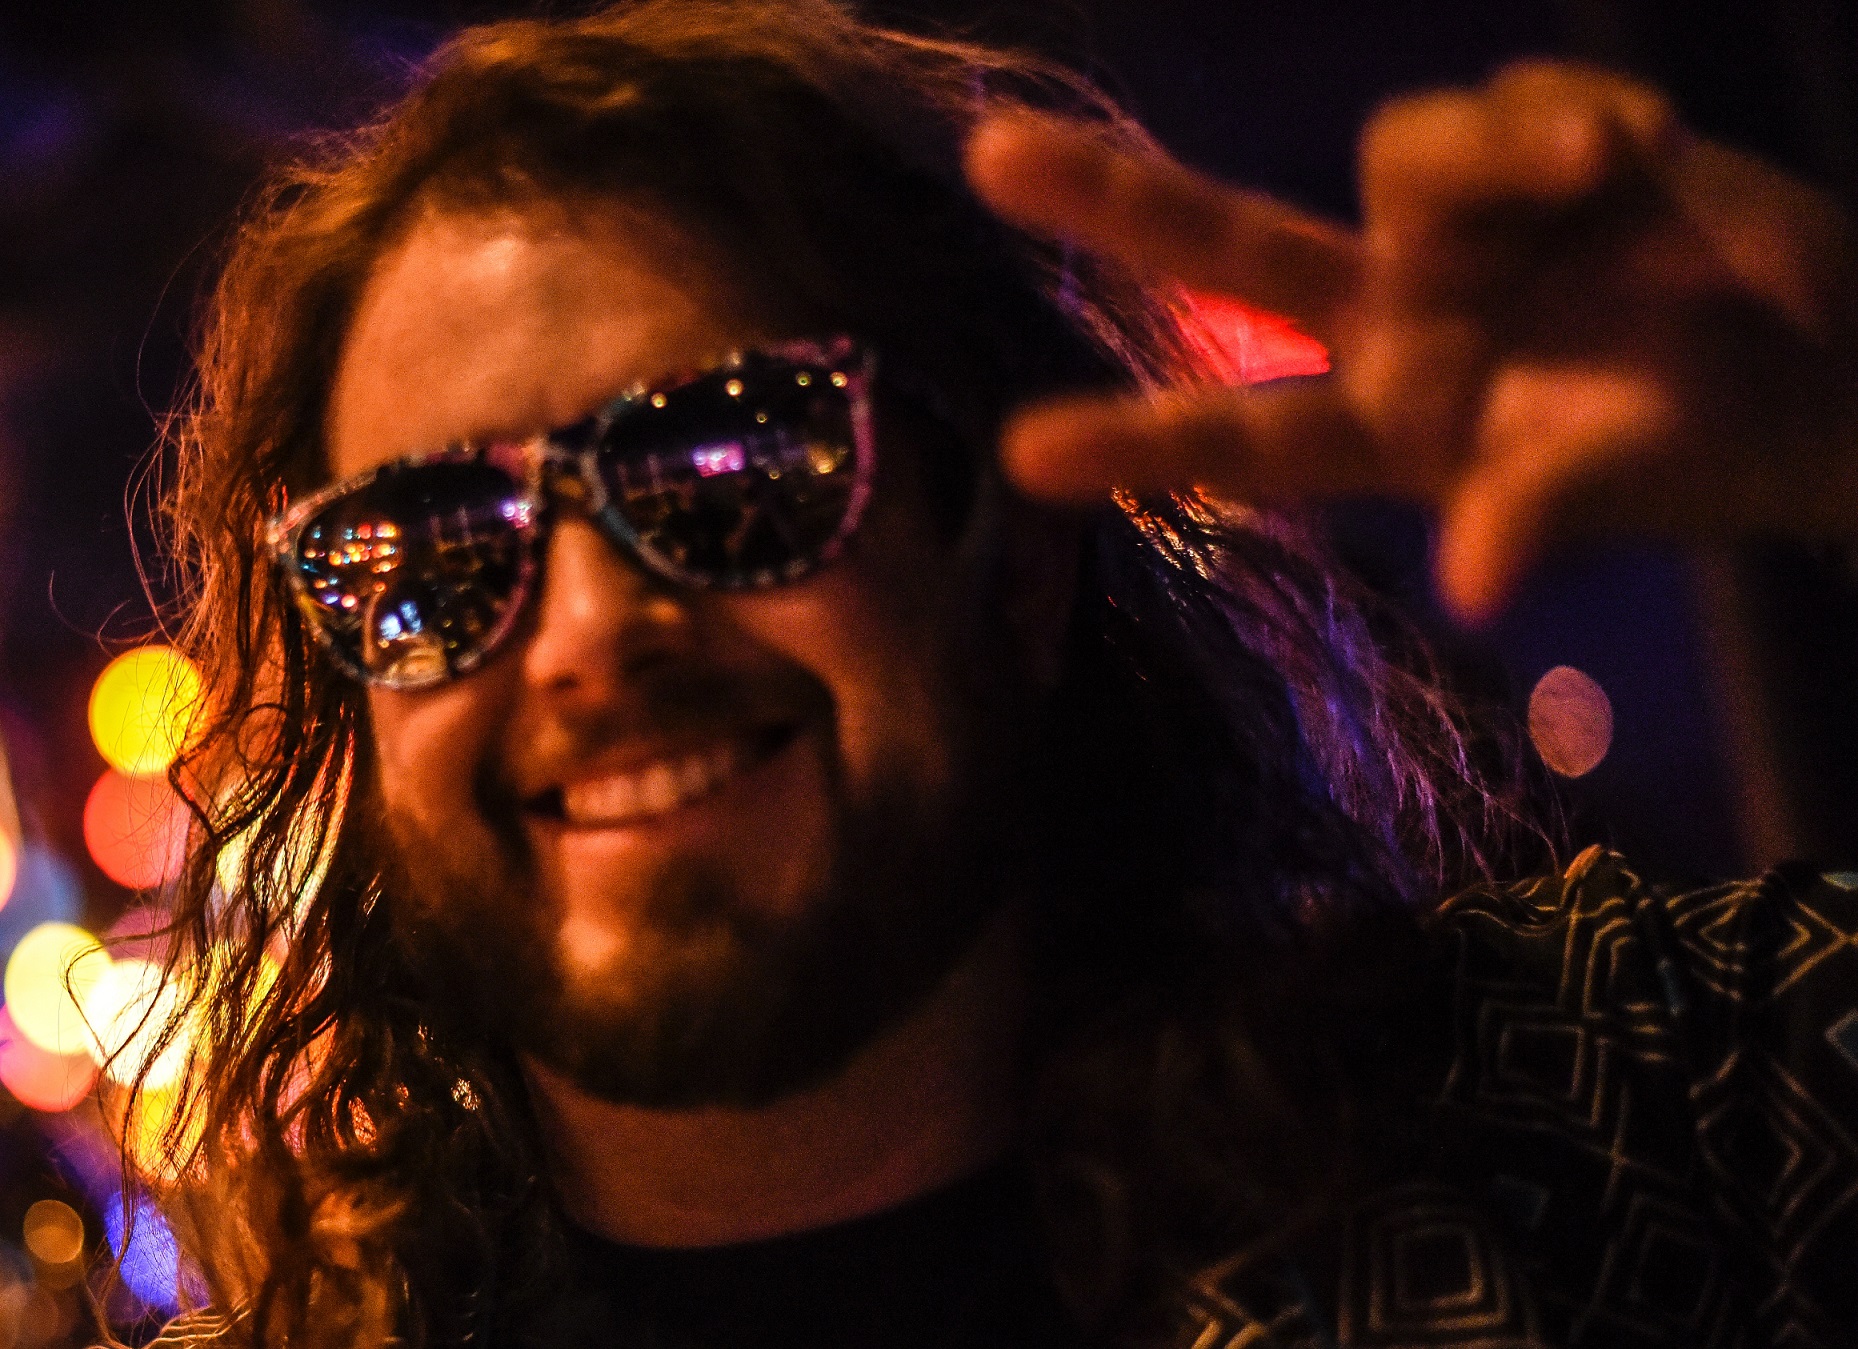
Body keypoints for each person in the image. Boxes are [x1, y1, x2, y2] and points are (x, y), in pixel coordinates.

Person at [126, 2, 1858, 1346]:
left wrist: (1835, 429)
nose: (584, 630)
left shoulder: (1614, 1116)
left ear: (1017, 561)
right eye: (429, 550)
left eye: (735, 469)